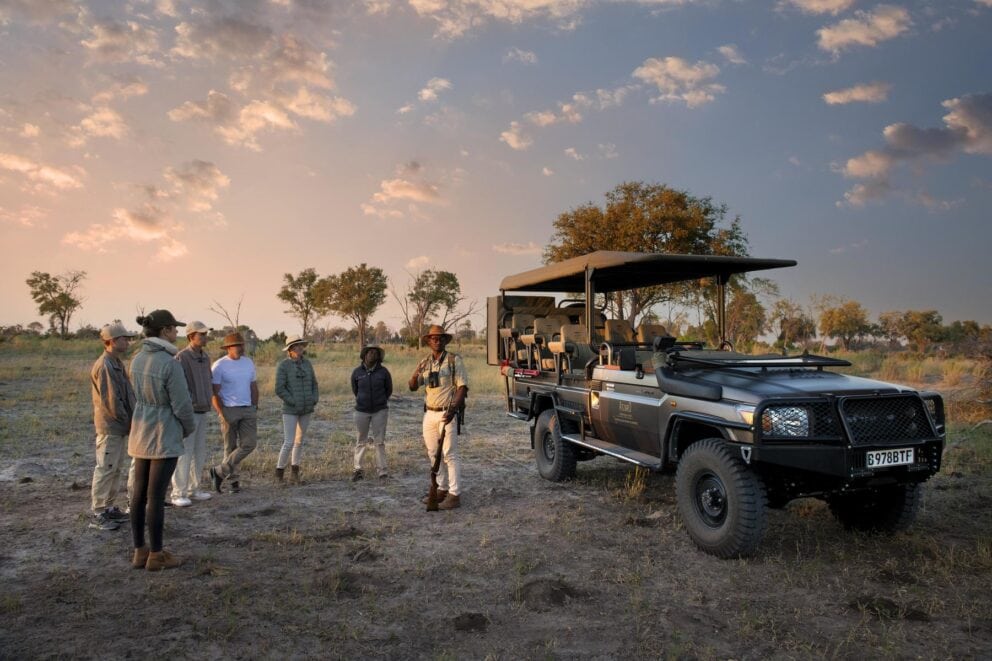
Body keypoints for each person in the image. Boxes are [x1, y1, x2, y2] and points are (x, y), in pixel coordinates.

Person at [128, 310, 196, 571]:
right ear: (165, 331)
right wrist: (186, 428)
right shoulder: (170, 363)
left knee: (139, 494)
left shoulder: (136, 359)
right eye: (174, 329)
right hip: (164, 432)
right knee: (156, 496)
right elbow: (182, 404)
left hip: (141, 430)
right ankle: (157, 554)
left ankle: (139, 551)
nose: (177, 333)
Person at [408, 325, 468, 510]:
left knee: (450, 454)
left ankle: (454, 494)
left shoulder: (453, 360)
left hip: (445, 412)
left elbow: (462, 388)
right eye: (433, 338)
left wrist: (452, 409)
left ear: (444, 340)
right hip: (429, 412)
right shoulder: (425, 362)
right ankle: (441, 488)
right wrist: (416, 372)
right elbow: (412, 386)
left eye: (440, 338)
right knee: (433, 453)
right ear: (428, 341)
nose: (437, 340)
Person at [89, 322, 137, 531]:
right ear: (112, 341)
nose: (127, 341)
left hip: (118, 426)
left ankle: (108, 508)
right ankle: (98, 512)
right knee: (105, 468)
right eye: (124, 338)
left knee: (115, 468)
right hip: (111, 426)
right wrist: (129, 422)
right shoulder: (106, 365)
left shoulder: (116, 362)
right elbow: (112, 402)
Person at [170, 321, 214, 506]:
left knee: (199, 451)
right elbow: (180, 387)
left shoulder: (206, 357)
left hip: (203, 410)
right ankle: (178, 492)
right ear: (190, 337)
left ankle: (194, 489)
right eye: (200, 334)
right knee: (185, 453)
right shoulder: (182, 357)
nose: (204, 337)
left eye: (205, 334)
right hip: (189, 412)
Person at [209, 332, 258, 493]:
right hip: (228, 409)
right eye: (237, 345)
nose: (241, 347)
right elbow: (214, 392)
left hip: (247, 408)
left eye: (242, 344)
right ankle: (233, 482)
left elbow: (253, 385)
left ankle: (219, 471)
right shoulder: (219, 365)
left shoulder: (248, 362)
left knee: (249, 444)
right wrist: (221, 412)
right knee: (230, 447)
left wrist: (254, 406)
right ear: (229, 348)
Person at [274, 334, 318, 484]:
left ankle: (295, 473)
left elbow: (314, 383)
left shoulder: (307, 364)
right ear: (290, 349)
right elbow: (279, 389)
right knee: (289, 442)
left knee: (300, 441)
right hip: (290, 409)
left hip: (306, 408)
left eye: (301, 345)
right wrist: (293, 401)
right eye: (296, 346)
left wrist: (314, 399)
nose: (300, 348)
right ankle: (279, 474)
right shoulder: (283, 366)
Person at [350, 344, 392, 481]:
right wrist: (364, 401)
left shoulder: (384, 372)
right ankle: (358, 470)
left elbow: (388, 390)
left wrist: (380, 402)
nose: (373, 354)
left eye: (376, 353)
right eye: (370, 352)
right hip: (361, 411)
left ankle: (382, 472)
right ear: (364, 355)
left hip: (380, 411)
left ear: (379, 357)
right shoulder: (357, 372)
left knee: (379, 441)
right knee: (361, 440)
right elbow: (355, 390)